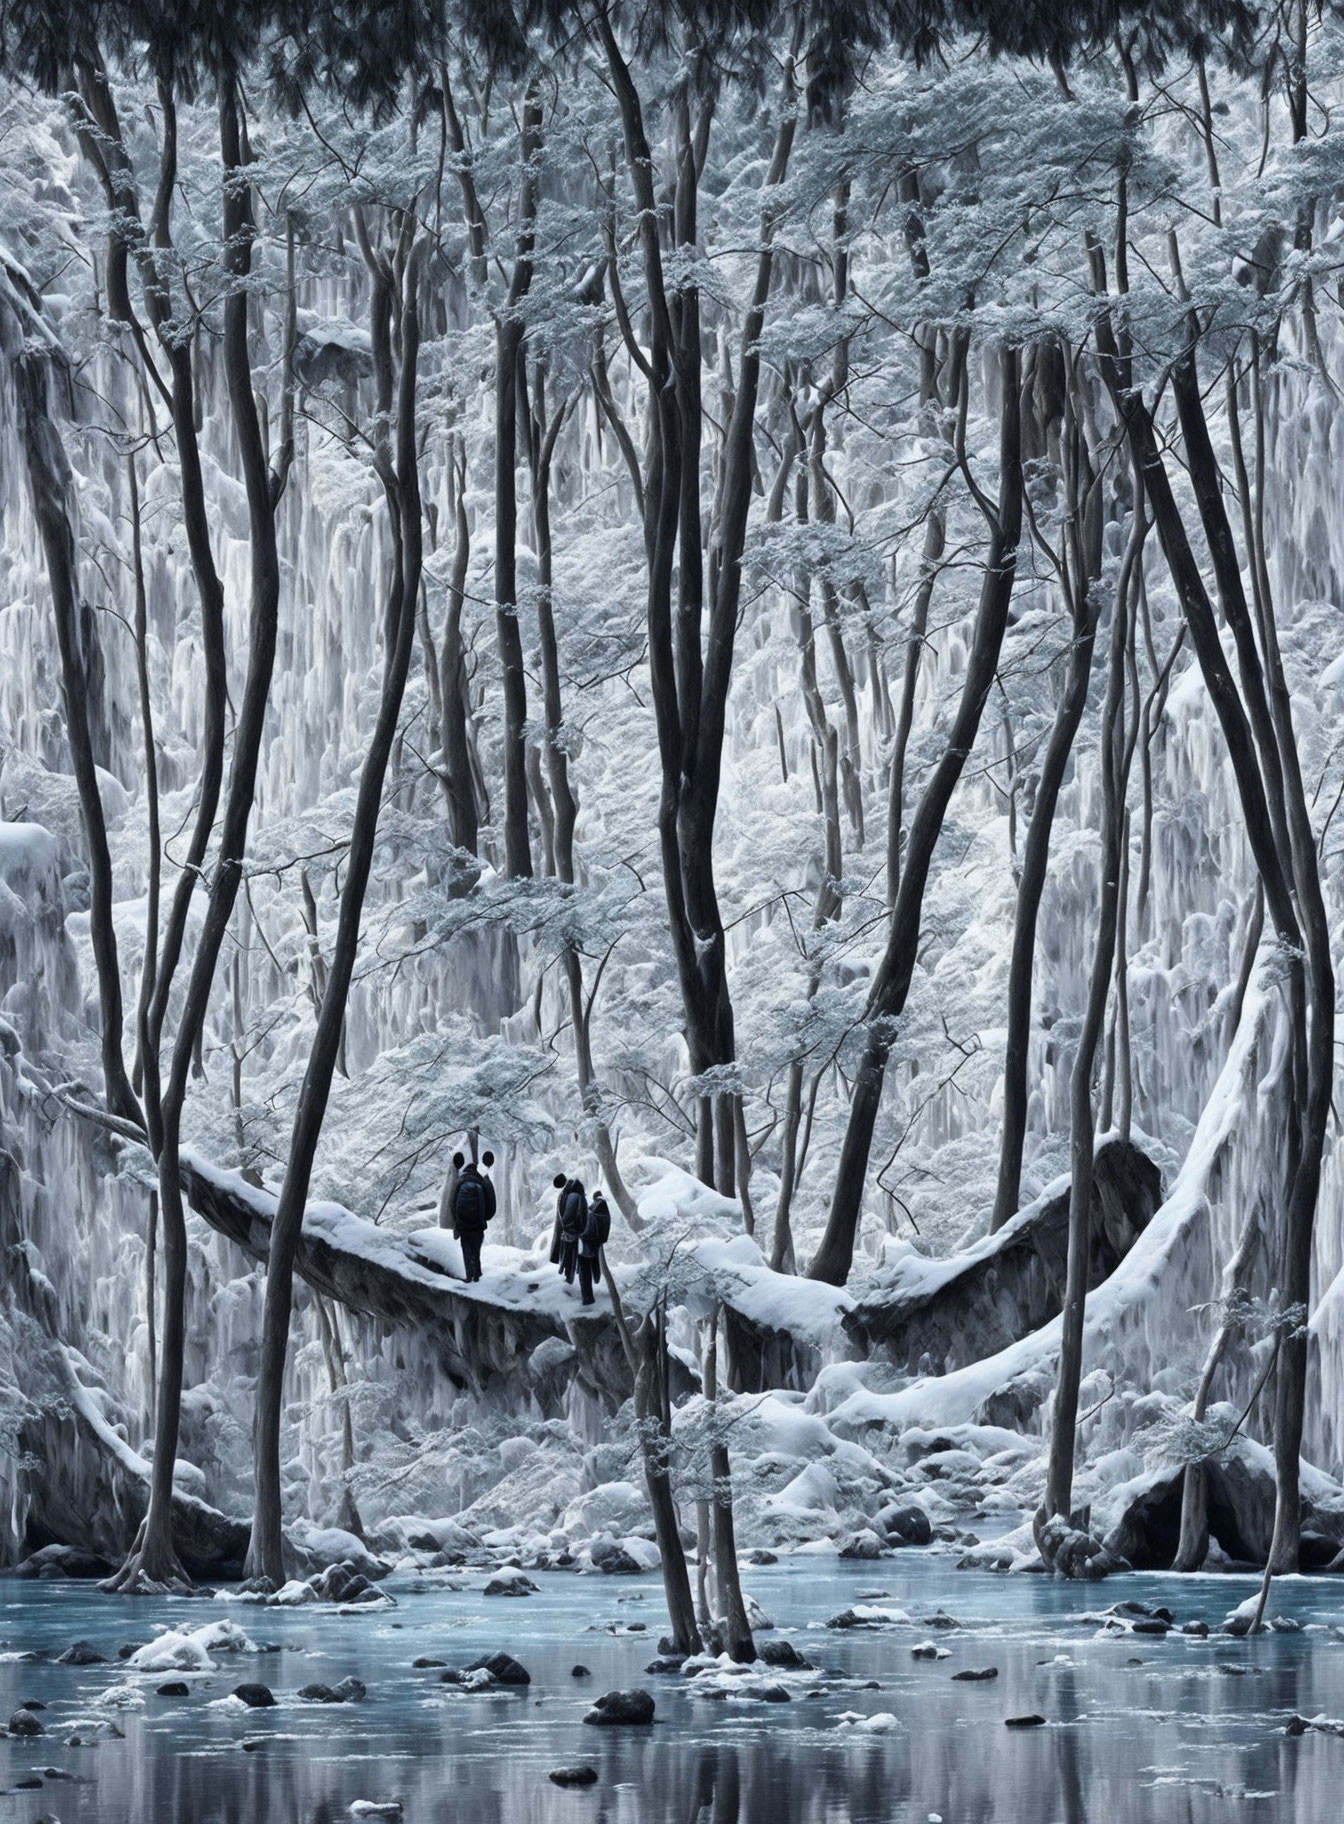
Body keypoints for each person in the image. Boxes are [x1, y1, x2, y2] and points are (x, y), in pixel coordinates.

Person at [550, 1173, 597, 1306]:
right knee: (575, 1264)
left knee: (579, 1265)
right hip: (578, 1234)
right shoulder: (573, 1193)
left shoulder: (572, 1195)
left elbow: (569, 1217)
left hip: (576, 1235)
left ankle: (587, 1297)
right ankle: (584, 1295)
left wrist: (570, 1232)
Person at [451, 1150, 495, 1282]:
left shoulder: (460, 1181)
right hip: (478, 1225)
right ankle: (477, 1275)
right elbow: (489, 1203)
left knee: (466, 1250)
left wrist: (456, 1224)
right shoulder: (480, 1182)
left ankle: (469, 1275)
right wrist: (483, 1220)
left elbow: (453, 1205)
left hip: (464, 1225)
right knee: (476, 1251)